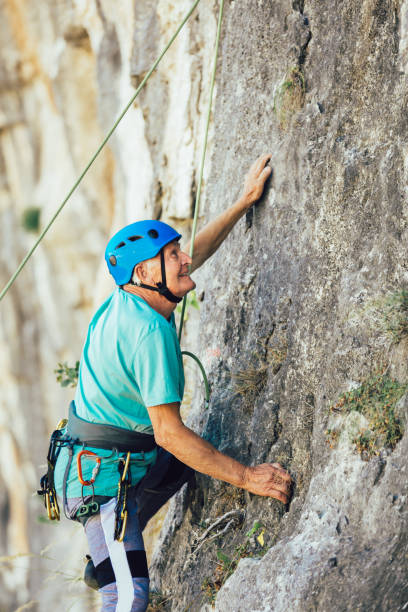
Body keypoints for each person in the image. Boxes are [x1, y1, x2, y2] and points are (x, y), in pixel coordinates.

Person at [53, 153, 292, 611]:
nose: (185, 261)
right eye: (172, 256)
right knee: (127, 597)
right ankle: (110, 552)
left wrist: (243, 203)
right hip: (100, 481)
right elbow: (169, 433)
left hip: (110, 458)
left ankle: (110, 552)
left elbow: (195, 253)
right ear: (145, 273)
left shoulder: (130, 296)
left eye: (179, 252)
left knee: (185, 461)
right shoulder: (148, 332)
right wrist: (247, 478)